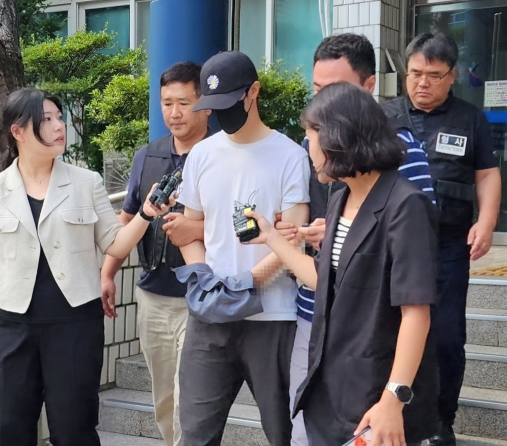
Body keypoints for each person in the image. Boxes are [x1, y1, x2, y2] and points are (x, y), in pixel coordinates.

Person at [0, 88, 170, 446]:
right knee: (5, 430)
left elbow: (115, 243)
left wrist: (147, 214)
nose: (60, 126)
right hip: (12, 326)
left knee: (74, 430)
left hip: (75, 324)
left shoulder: (86, 182)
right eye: (47, 119)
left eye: (60, 117)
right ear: (18, 131)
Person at [249, 82, 439, 446]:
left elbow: (416, 312)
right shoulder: (341, 198)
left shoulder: (405, 205)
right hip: (333, 384)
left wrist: (393, 398)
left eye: (311, 136)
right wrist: (273, 237)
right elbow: (325, 281)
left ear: (337, 135)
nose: (308, 149)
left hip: (378, 389)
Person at [177, 51, 310, 445]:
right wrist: (206, 282)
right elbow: (189, 231)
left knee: (283, 433)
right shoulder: (201, 154)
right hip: (210, 317)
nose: (219, 114)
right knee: (196, 434)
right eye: (212, 106)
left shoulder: (290, 157)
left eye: (228, 103)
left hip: (272, 319)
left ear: (253, 92)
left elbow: (293, 236)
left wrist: (246, 283)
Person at [382, 32, 502, 446]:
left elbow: (486, 174)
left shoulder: (470, 118)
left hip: (449, 245)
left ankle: (439, 421)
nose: (422, 83)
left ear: (452, 76)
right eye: (415, 73)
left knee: (447, 337)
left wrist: (485, 222)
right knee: (389, 331)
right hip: (393, 247)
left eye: (434, 75)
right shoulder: (385, 115)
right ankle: (388, 411)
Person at [100, 62, 210, 446]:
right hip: (152, 295)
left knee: (188, 397)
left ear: (205, 104)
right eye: (167, 103)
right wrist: (108, 272)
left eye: (184, 102)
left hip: (199, 298)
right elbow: (128, 217)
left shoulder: (219, 154)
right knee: (163, 397)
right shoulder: (147, 156)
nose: (175, 113)